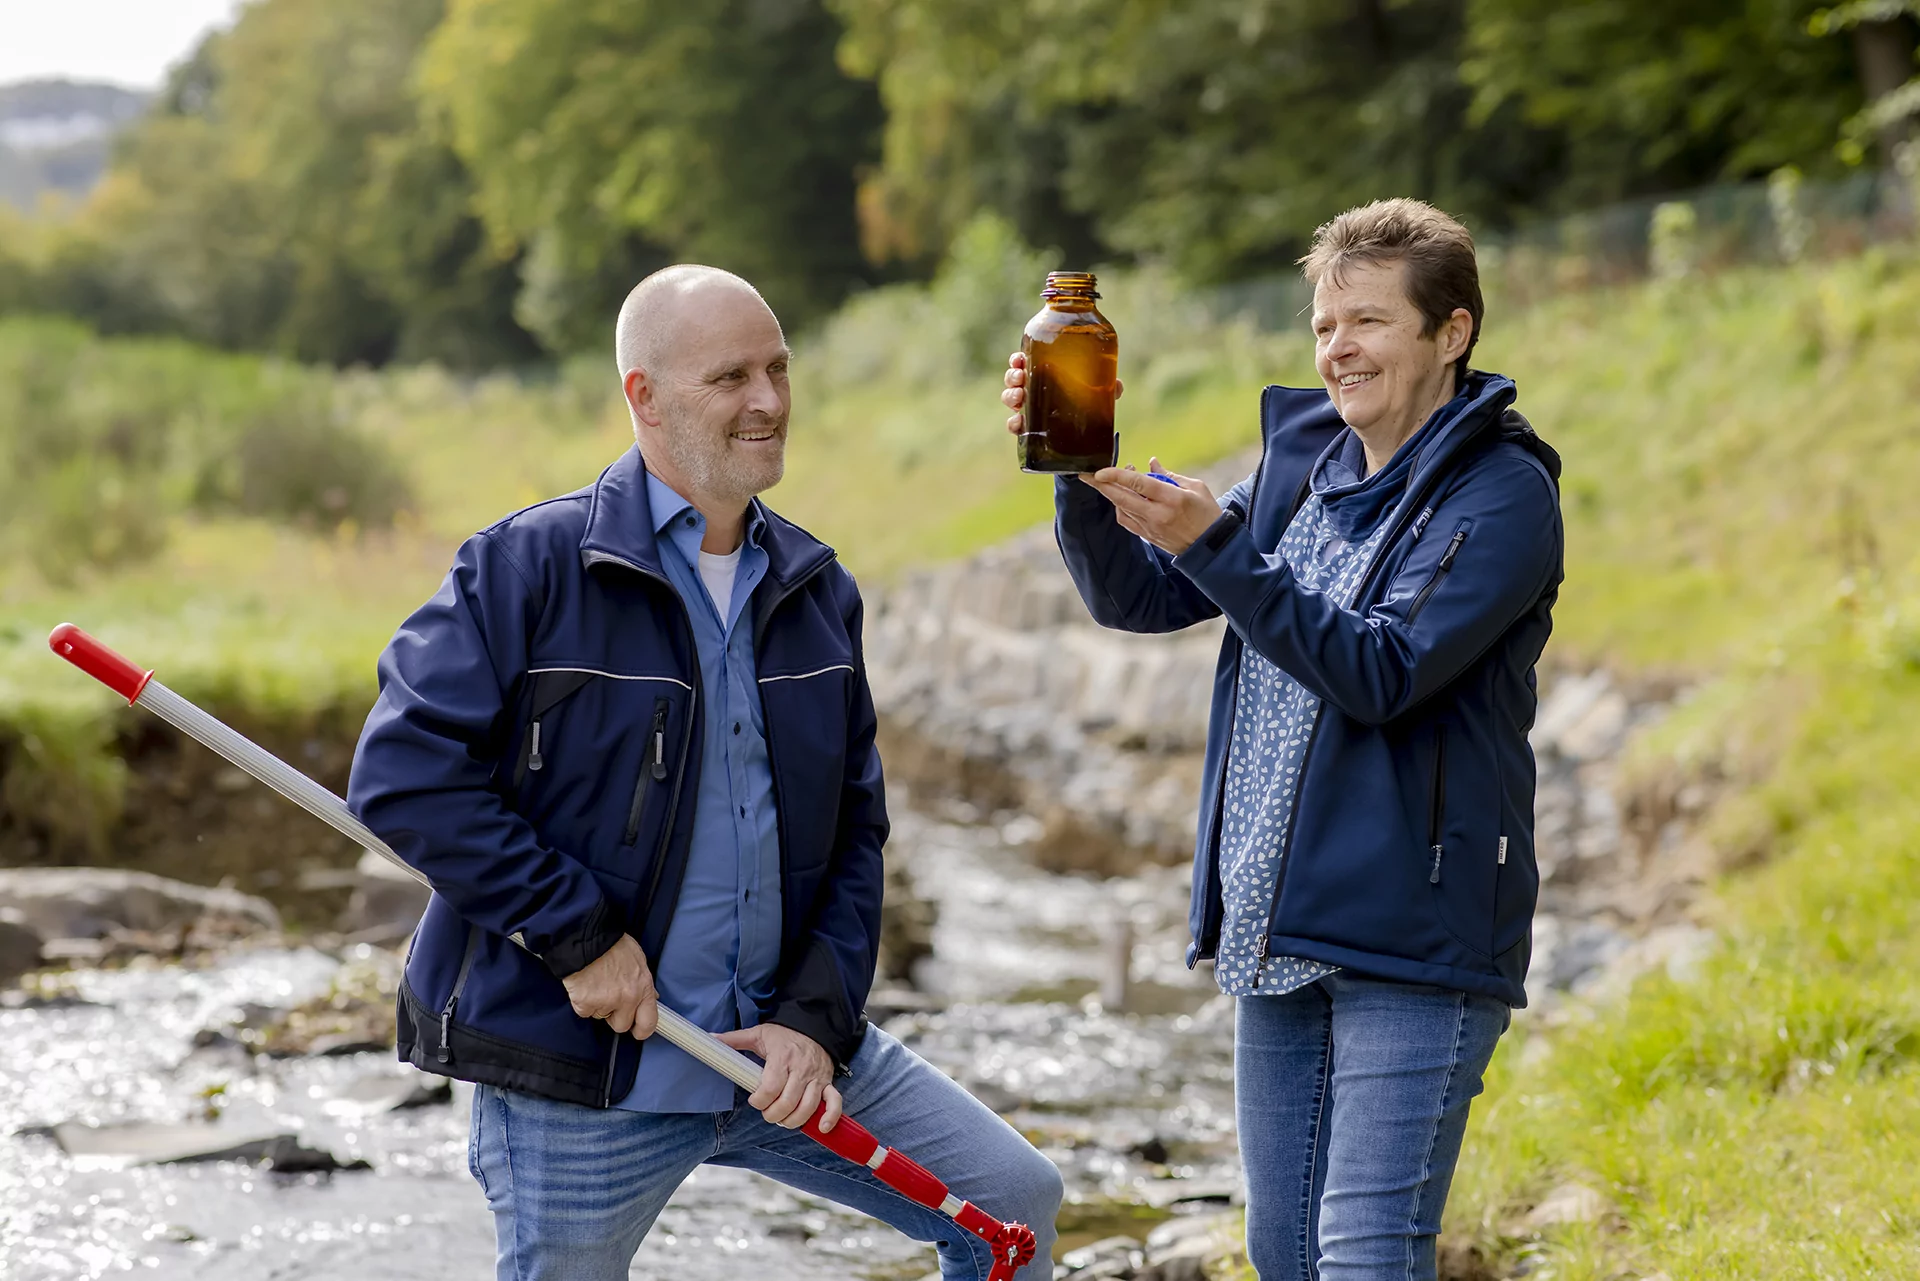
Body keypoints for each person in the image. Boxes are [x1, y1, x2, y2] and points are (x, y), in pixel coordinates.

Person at [350, 264, 1061, 1281]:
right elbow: (403, 770)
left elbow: (857, 833)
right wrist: (577, 936)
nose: (768, 401)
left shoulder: (817, 590)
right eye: (730, 377)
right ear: (643, 395)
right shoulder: (526, 568)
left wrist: (816, 1022)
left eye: (777, 369)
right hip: (586, 1075)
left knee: (1013, 1211)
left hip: (783, 1062)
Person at [1001, 199, 1563, 1280]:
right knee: (1283, 1251)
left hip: (1414, 928)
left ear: (1452, 334)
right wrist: (1082, 467)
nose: (1338, 348)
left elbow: (1384, 671)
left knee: (1363, 1253)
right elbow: (1141, 599)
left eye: (1369, 323)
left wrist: (1219, 543)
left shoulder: (1501, 494)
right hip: (1277, 918)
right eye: (1323, 325)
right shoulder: (1307, 463)